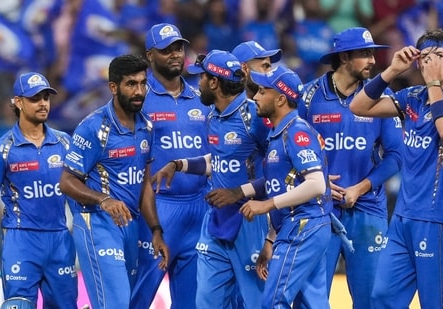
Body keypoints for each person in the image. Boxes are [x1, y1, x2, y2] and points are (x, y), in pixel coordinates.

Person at [349, 28, 443, 308]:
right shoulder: (413, 97)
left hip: (439, 217)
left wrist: (433, 84)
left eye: (440, 56)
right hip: (403, 218)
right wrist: (391, 71)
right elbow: (358, 107)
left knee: (434, 303)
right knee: (382, 296)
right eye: (427, 57)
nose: (432, 63)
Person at [152, 50, 270, 308]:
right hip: (215, 220)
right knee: (206, 302)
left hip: (249, 220)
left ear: (215, 82)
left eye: (202, 78)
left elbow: (278, 171)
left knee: (256, 301)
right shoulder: (213, 117)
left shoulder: (255, 117)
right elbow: (218, 161)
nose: (198, 84)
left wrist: (239, 192)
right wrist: (179, 164)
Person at [299, 27, 403, 308]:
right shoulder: (308, 97)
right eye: (365, 54)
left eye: (373, 54)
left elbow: (396, 154)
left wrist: (362, 186)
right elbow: (290, 151)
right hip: (319, 210)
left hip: (368, 210)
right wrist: (316, 182)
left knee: (371, 300)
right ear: (344, 57)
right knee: (311, 300)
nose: (372, 60)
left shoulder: (382, 98)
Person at [59, 54, 169, 309]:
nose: (139, 91)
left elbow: (143, 183)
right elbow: (66, 181)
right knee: (117, 303)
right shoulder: (93, 127)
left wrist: (156, 231)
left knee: (123, 303)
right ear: (113, 87)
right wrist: (104, 200)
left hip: (129, 226)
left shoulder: (147, 127)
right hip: (96, 223)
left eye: (143, 83)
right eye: (131, 84)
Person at [0, 72, 78, 307]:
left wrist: (87, 234)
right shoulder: (2, 149)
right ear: (18, 102)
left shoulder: (65, 142)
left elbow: (78, 193)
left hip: (60, 240)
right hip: (21, 241)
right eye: (35, 98)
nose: (43, 103)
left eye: (46, 97)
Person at [237, 65, 333, 308]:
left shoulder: (297, 132)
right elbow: (280, 184)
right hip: (304, 225)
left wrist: (266, 205)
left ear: (280, 99)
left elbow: (316, 184)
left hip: (302, 225)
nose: (255, 97)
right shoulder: (279, 133)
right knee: (312, 303)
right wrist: (270, 239)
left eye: (261, 91)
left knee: (274, 301)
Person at [130, 23, 210, 309]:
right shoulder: (139, 99)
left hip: (199, 208)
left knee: (192, 302)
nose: (175, 54)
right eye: (166, 50)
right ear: (150, 55)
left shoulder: (201, 98)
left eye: (178, 47)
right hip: (158, 209)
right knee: (136, 296)